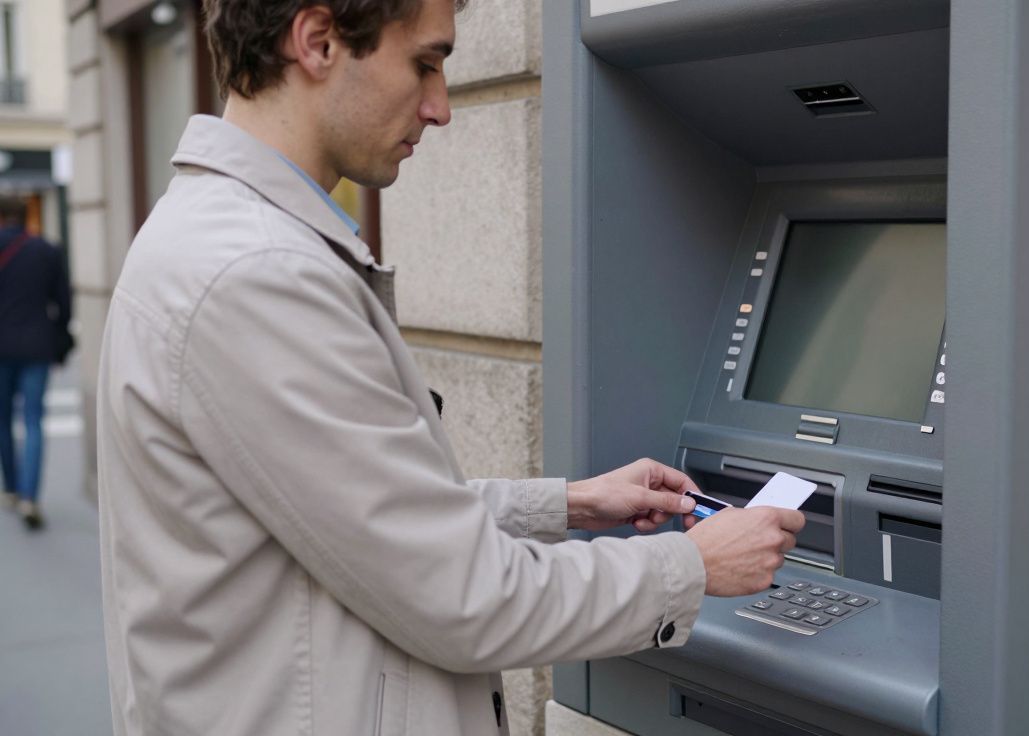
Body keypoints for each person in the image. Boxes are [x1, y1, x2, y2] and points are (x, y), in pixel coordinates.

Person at [97, 1, 805, 734]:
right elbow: (464, 598)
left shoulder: (225, 242)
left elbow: (361, 517)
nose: (440, 108)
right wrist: (691, 567)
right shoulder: (256, 275)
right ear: (317, 41)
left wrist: (568, 505)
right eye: (425, 63)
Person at [0, 200, 70, 531]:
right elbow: (64, 302)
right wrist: (60, 343)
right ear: (25, 217)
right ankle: (30, 496)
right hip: (37, 345)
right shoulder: (46, 250)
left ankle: (11, 489)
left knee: (2, 421)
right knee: (33, 421)